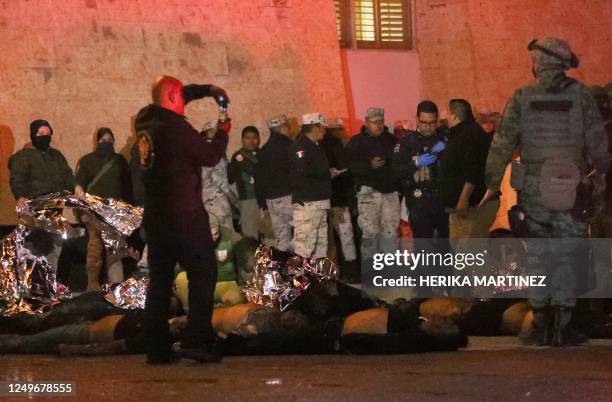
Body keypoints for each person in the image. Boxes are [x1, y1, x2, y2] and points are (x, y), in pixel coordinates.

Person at [482, 37, 610, 346]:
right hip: (571, 186)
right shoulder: (581, 96)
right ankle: (562, 327)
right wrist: (600, 178)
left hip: (533, 188)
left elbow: (502, 145)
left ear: (539, 65)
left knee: (538, 254)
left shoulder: (522, 96)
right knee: (567, 255)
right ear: (564, 66)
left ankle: (539, 325)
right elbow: (598, 145)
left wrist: (490, 183)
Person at [134, 75, 229, 363]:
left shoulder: (145, 122)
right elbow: (210, 155)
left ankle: (157, 349)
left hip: (156, 216)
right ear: (174, 97)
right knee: (203, 273)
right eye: (181, 96)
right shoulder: (176, 129)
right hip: (183, 215)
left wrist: (206, 91)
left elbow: (175, 95)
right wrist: (223, 131)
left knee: (160, 281)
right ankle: (197, 340)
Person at [392, 101, 451, 296]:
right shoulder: (407, 142)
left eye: (432, 123)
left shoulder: (444, 138)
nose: (428, 127)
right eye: (424, 123)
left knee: (445, 247)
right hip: (418, 201)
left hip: (442, 200)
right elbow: (396, 170)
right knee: (423, 247)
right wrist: (416, 162)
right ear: (417, 119)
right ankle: (423, 292)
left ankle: (447, 288)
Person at [8, 119, 75, 273]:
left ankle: (47, 288)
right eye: (40, 133)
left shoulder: (56, 156)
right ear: (33, 135)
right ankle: (30, 288)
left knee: (54, 248)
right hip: (34, 210)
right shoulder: (24, 156)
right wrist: (20, 196)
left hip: (55, 209)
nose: (45, 136)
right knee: (34, 248)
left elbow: (67, 175)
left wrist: (75, 187)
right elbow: (18, 178)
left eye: (47, 133)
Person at [75, 127, 132, 290]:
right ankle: (92, 287)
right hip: (94, 215)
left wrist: (128, 213)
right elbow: (79, 186)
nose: (106, 143)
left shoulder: (120, 161)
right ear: (97, 141)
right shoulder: (86, 161)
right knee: (94, 254)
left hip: (115, 215)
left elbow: (127, 187)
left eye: (109, 139)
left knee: (115, 254)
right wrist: (82, 212)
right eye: (103, 140)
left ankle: (116, 288)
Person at [346, 108, 400, 274]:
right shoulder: (356, 142)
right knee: (370, 234)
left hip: (390, 192)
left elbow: (399, 163)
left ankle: (390, 272)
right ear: (366, 122)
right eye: (374, 122)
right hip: (368, 193)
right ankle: (371, 272)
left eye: (381, 121)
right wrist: (368, 166)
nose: (378, 125)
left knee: (390, 233)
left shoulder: (392, 140)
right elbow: (349, 167)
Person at [438, 99, 497, 249]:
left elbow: (474, 170)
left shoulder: (470, 134)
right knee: (461, 258)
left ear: (453, 115)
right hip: (460, 208)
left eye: (446, 111)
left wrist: (463, 199)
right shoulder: (461, 133)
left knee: (470, 258)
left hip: (472, 206)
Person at [175, 214, 246, 311]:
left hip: (226, 284)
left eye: (216, 234)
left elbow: (246, 250)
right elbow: (178, 267)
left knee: (236, 299)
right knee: (181, 278)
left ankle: (217, 313)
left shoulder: (229, 235)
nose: (214, 238)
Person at [290, 113, 333, 259]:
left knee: (320, 249)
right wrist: (326, 173)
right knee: (304, 250)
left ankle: (318, 281)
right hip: (308, 204)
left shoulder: (314, 146)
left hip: (319, 203)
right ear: (315, 127)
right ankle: (298, 281)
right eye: (323, 127)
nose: (325, 131)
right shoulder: (301, 146)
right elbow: (302, 171)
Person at [320, 119, 358, 279]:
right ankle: (351, 272)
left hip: (326, 200)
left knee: (330, 241)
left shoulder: (318, 145)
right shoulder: (336, 145)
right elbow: (346, 170)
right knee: (346, 236)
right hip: (338, 200)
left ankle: (333, 275)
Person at [256, 115, 294, 252]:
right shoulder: (290, 146)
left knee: (281, 238)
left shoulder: (263, 151)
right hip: (290, 198)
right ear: (283, 128)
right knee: (303, 236)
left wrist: (262, 204)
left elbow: (259, 181)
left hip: (271, 201)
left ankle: (284, 268)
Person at [201, 119, 236, 231]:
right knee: (228, 239)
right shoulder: (213, 153)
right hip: (217, 205)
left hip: (204, 205)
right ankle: (268, 250)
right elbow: (219, 180)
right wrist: (234, 200)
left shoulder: (200, 151)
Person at [228, 126, 260, 239]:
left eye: (254, 138)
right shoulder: (238, 155)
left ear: (259, 139)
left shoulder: (264, 153)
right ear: (242, 140)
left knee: (269, 236)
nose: (251, 141)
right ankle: (251, 257)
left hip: (266, 201)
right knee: (250, 236)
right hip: (248, 200)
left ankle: (268, 257)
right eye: (248, 138)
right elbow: (230, 178)